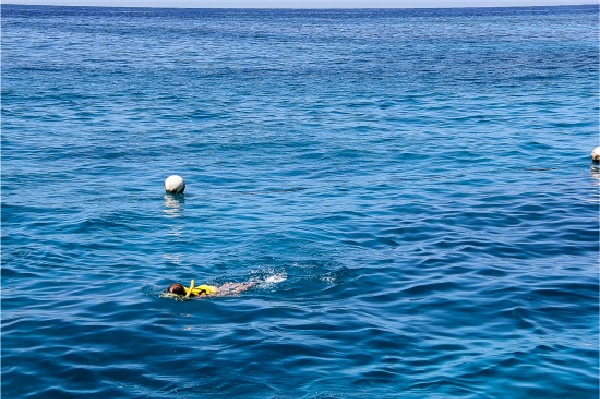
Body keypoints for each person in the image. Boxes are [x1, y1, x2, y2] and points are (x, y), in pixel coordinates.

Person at [165, 279, 256, 298]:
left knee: (236, 292)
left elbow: (203, 297)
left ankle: (252, 284)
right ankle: (247, 282)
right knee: (228, 286)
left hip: (214, 291)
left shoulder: (191, 296)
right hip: (207, 287)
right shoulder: (183, 288)